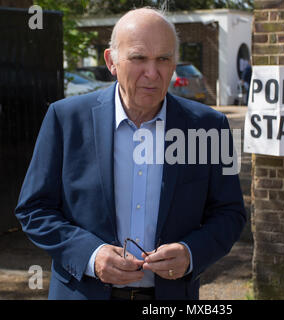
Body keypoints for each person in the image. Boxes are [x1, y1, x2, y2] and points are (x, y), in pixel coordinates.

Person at [15, 7, 246, 300]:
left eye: (163, 59)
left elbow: (230, 213)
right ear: (112, 61)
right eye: (139, 58)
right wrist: (91, 255)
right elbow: (34, 209)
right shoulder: (65, 119)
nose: (152, 72)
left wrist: (191, 253)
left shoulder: (209, 126)